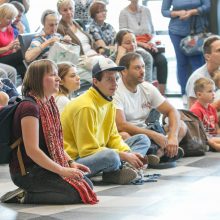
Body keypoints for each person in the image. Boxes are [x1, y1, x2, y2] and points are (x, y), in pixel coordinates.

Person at [0, 59, 98, 204]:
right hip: (28, 172)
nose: (58, 78)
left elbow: (56, 144)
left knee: (87, 185)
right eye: (53, 75)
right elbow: (32, 150)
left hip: (44, 167)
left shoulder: (49, 103)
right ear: (38, 79)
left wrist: (70, 163)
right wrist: (61, 170)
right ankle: (23, 195)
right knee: (73, 194)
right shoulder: (29, 107)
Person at [61, 57, 154, 185]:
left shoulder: (108, 101)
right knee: (111, 157)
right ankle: (119, 170)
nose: (115, 83)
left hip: (100, 151)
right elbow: (87, 150)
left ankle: (125, 167)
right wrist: (124, 156)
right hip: (76, 160)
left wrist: (128, 152)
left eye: (116, 79)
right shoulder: (85, 106)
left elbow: (113, 136)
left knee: (142, 139)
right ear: (95, 81)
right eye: (109, 79)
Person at [114, 52, 187, 165]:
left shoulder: (147, 87)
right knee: (124, 136)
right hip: (131, 134)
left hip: (147, 129)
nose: (143, 71)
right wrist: (153, 135)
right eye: (137, 68)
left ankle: (157, 154)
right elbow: (121, 125)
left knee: (181, 126)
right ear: (124, 71)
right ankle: (160, 154)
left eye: (143, 66)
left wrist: (173, 137)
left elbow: (172, 111)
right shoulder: (116, 91)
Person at [161, 0, 210, 98]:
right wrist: (178, 13)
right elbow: (164, 11)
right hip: (176, 32)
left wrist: (192, 12)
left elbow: (207, 6)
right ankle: (184, 93)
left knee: (197, 63)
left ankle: (201, 93)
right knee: (182, 62)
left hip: (197, 31)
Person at [119, 0, 168, 95]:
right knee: (147, 57)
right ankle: (146, 92)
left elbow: (152, 32)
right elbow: (124, 36)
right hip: (135, 46)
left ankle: (161, 95)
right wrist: (142, 44)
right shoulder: (124, 13)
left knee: (162, 61)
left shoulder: (146, 10)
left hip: (149, 45)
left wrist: (151, 42)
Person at [185, 35, 220, 108]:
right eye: (219, 50)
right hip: (203, 118)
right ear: (207, 56)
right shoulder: (197, 78)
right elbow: (194, 113)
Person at [190, 77, 220, 151]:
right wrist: (214, 145)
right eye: (210, 91)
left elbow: (217, 128)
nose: (213, 94)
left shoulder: (212, 108)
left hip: (213, 137)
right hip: (204, 139)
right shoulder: (195, 110)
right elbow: (197, 133)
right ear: (199, 95)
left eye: (214, 91)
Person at [0, 3, 26, 78]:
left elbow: (13, 49)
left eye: (12, 18)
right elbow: (8, 48)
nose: (11, 21)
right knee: (23, 55)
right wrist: (8, 48)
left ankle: (28, 86)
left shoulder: (9, 28)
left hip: (8, 56)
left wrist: (16, 46)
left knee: (23, 62)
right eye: (8, 18)